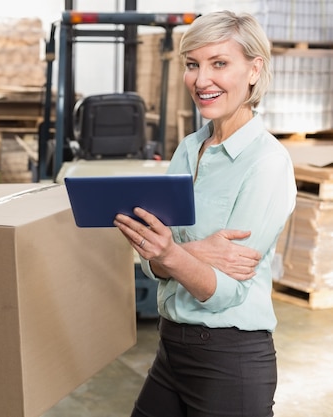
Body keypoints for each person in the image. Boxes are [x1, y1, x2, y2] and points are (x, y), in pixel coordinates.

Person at [114, 10, 296, 417]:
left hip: (230, 361)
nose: (201, 80)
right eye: (192, 65)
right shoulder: (189, 148)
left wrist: (172, 253)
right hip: (171, 350)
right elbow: (151, 265)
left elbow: (223, 292)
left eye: (219, 64)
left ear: (254, 69)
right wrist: (188, 252)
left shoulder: (266, 163)